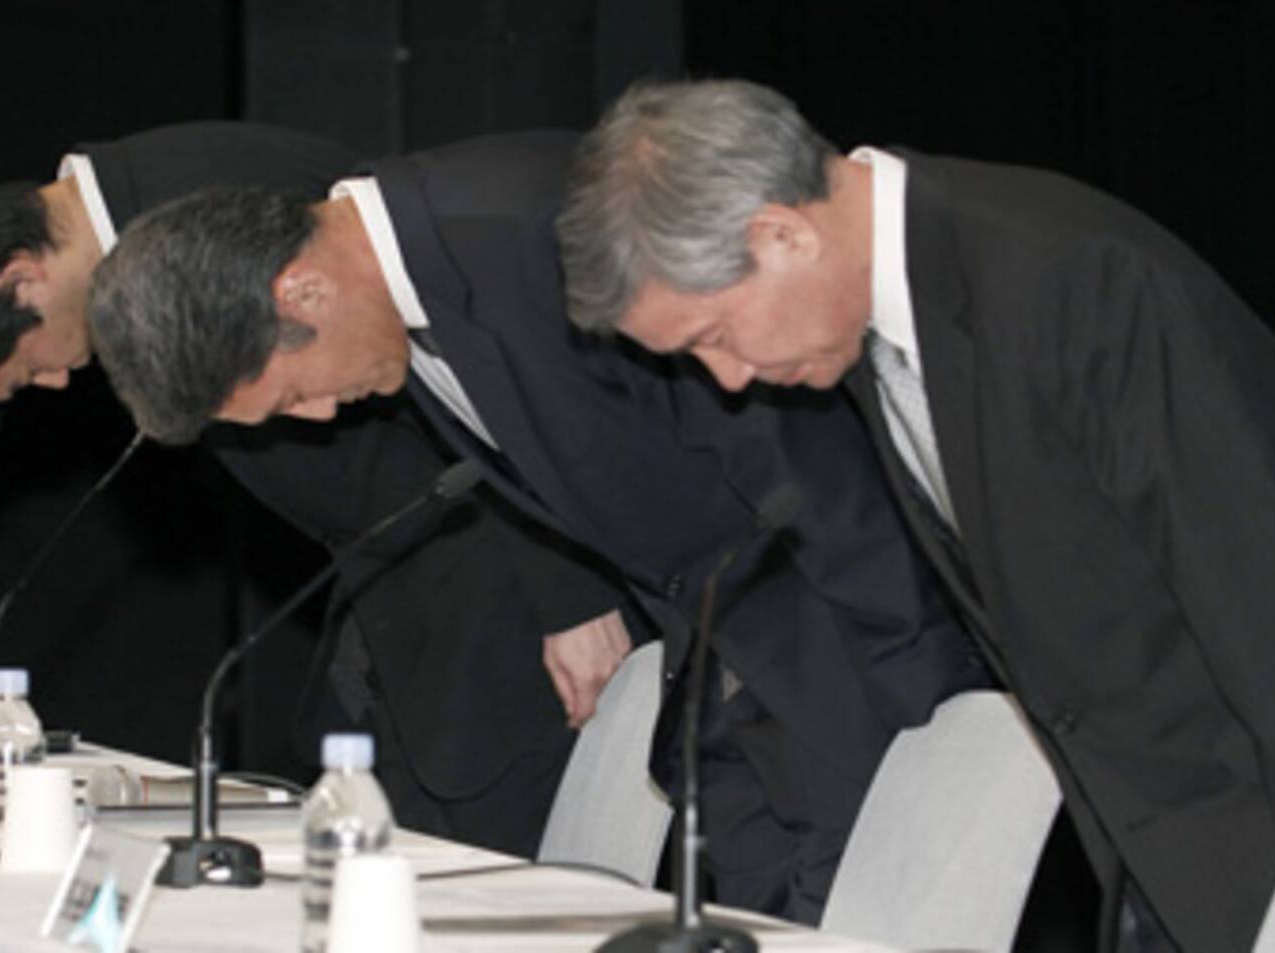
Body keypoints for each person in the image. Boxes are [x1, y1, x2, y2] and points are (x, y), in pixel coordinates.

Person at [555, 77, 1275, 952]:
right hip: (1176, 836)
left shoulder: (1067, 280)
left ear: (782, 235)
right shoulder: (878, 318)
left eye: (711, 337)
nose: (728, 377)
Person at [85, 132, 988, 924]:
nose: (320, 416)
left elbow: (794, 439)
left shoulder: (534, 227)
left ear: (301, 291)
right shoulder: (414, 289)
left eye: (292, 392)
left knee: (862, 921)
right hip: (723, 663)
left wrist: (904, 662)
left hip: (837, 639)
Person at [0, 121, 641, 859]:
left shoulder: (202, 201)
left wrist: (569, 586)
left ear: (18, 279)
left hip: (499, 605)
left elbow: (472, 373)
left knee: (473, 893)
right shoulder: (139, 210)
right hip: (403, 602)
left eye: (24, 371)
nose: (52, 383)